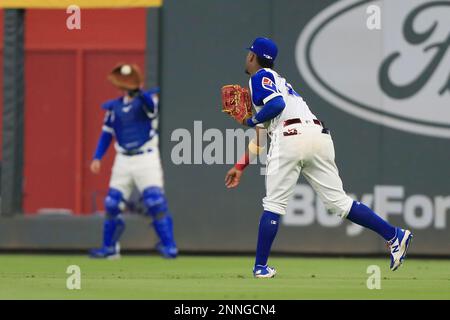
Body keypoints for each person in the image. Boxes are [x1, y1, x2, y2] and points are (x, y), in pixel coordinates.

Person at [224, 37, 413, 278]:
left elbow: (277, 106)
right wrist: (240, 166)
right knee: (339, 202)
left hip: (290, 137)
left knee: (273, 204)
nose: (246, 57)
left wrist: (249, 120)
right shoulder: (281, 83)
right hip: (318, 135)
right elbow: (262, 135)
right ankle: (394, 235)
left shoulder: (259, 78)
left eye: (248, 54)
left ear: (252, 56)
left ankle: (261, 267)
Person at [89, 63, 177, 259]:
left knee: (155, 201)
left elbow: (151, 107)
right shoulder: (114, 108)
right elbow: (106, 135)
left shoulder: (146, 100)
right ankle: (109, 248)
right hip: (123, 160)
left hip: (146, 157)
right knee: (112, 203)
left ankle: (169, 246)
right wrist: (97, 157)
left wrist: (138, 90)